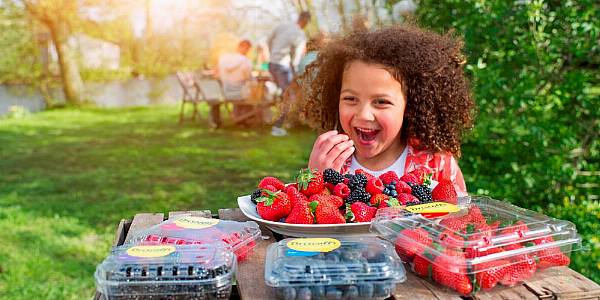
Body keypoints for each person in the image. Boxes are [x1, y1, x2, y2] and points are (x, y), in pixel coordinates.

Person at [299, 25, 475, 195]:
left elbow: (459, 220)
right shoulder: (329, 162)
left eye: (381, 102)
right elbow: (305, 219)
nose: (364, 115)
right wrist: (315, 183)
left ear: (409, 105)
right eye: (350, 99)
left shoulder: (437, 163)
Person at [267, 11, 311, 136]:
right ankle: (277, 127)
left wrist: (273, 54)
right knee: (289, 96)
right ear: (306, 21)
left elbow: (269, 40)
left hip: (272, 64)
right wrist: (297, 72)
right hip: (282, 66)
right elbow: (296, 58)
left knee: (282, 93)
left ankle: (277, 119)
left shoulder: (283, 25)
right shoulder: (300, 34)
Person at [213, 39, 253, 128]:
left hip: (226, 92)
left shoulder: (224, 58)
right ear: (245, 48)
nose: (248, 51)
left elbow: (216, 74)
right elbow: (248, 78)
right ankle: (243, 119)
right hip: (240, 94)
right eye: (248, 49)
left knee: (241, 90)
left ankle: (238, 118)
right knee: (256, 93)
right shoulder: (245, 60)